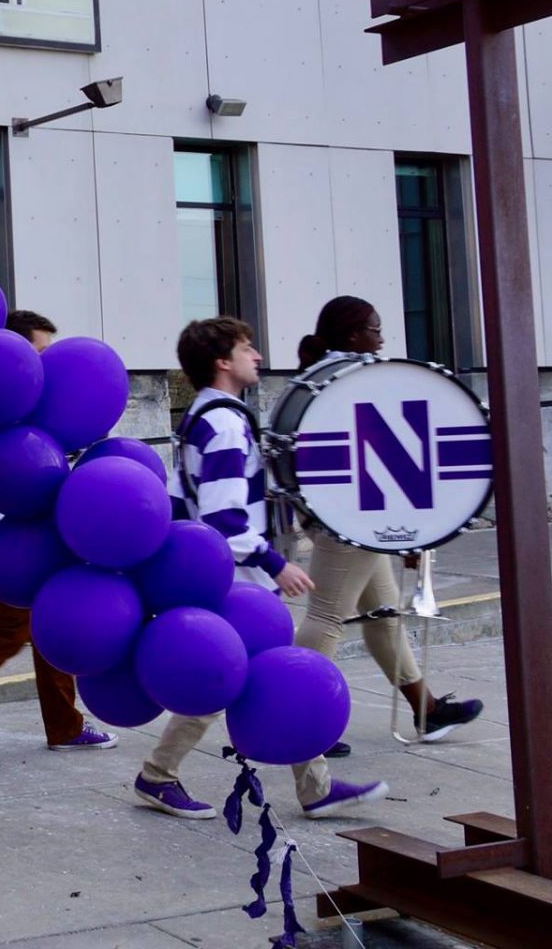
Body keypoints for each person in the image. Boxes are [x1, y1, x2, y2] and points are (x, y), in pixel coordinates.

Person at [133, 317, 388, 822]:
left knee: (237, 676)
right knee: (248, 676)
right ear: (222, 361)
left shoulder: (203, 415)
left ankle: (165, 776)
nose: (259, 356)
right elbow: (226, 517)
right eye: (247, 348)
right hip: (238, 578)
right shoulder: (225, 422)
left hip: (217, 574)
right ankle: (162, 776)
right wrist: (275, 565)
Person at [294, 297, 481, 754]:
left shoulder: (324, 379)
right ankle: (302, 718)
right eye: (376, 330)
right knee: (325, 618)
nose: (382, 338)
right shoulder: (359, 379)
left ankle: (425, 709)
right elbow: (384, 458)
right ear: (355, 334)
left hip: (348, 514)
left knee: (383, 613)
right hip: (355, 518)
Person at [0, 311, 116, 765]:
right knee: (6, 634)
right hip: (11, 535)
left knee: (51, 626)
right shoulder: (1, 403)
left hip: (40, 528)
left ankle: (64, 725)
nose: (48, 366)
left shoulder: (40, 406)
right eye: (40, 354)